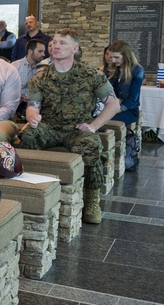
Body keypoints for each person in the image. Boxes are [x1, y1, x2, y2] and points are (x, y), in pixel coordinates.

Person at [20, 29, 120, 224]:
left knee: (91, 147)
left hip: (77, 129)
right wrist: (32, 117)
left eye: (62, 43)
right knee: (28, 137)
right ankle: (32, 191)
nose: (56, 46)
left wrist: (94, 125)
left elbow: (113, 104)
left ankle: (92, 200)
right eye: (55, 42)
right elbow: (32, 107)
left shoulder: (91, 75)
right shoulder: (41, 77)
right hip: (49, 126)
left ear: (75, 48)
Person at [103, 40, 143, 172]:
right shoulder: (112, 69)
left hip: (129, 111)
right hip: (113, 107)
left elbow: (132, 99)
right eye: (111, 57)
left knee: (106, 120)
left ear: (125, 56)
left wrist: (115, 107)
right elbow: (109, 92)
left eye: (116, 57)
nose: (113, 60)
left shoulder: (137, 70)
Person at [11, 39, 47, 121]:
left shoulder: (44, 69)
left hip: (38, 105)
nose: (43, 54)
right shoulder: (14, 67)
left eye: (44, 51)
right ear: (30, 51)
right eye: (40, 51)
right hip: (17, 104)